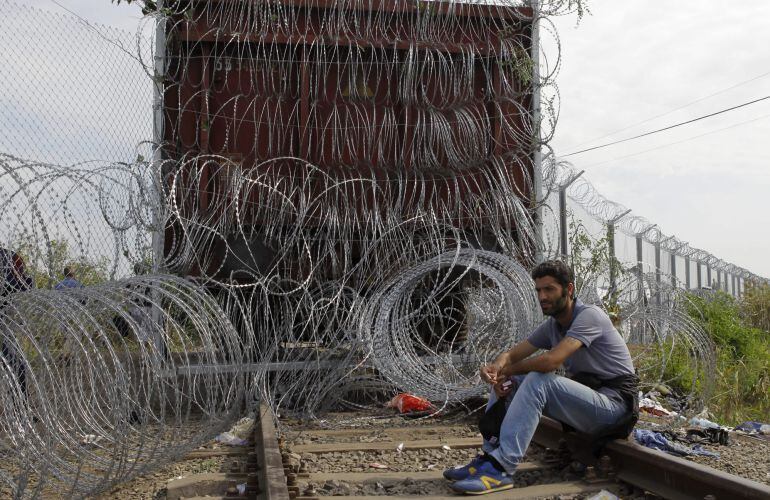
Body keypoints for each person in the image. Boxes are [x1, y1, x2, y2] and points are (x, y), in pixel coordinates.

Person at [446, 260, 639, 495]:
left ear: (568, 290)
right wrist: (496, 369)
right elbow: (511, 354)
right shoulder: (553, 326)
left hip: (615, 408)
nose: (542, 296)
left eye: (549, 289)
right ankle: (489, 458)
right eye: (538, 290)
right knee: (510, 383)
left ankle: (501, 468)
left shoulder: (590, 316)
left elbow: (551, 362)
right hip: (590, 403)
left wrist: (508, 370)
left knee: (538, 379)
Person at [1, 248, 34, 404]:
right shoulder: (9, 256)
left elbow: (24, 284)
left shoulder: (10, 256)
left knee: (17, 366)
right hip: (7, 323)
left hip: (7, 324)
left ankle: (20, 404)